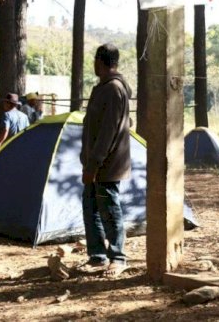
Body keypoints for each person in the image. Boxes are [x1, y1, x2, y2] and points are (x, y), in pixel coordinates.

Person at [80, 44, 132, 278]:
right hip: (94, 162)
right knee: (90, 207)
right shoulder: (100, 88)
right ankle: (97, 255)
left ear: (100, 62)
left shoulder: (113, 89)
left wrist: (95, 163)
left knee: (109, 210)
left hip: (107, 165)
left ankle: (118, 257)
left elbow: (109, 131)